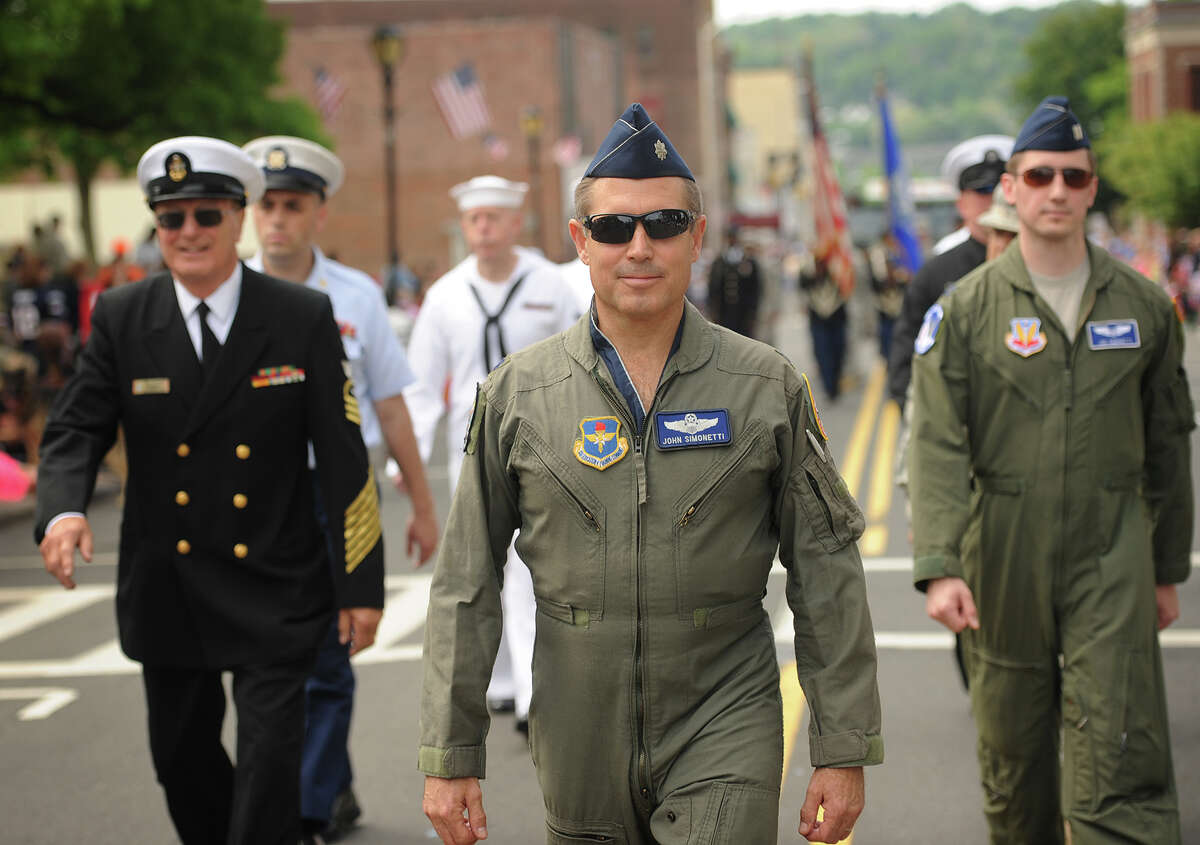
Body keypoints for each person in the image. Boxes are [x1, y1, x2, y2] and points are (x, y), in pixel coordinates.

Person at [419, 102, 883, 845]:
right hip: (574, 725)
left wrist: (843, 744)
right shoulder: (517, 395)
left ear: (696, 236)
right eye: (613, 227)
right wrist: (451, 751)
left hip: (724, 706)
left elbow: (825, 564)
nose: (639, 246)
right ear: (581, 241)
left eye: (664, 223)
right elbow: (466, 579)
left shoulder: (765, 386)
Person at [33, 136, 385, 845]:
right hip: (171, 584)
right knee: (180, 761)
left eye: (205, 214)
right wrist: (64, 508)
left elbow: (345, 460)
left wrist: (361, 586)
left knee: (269, 768)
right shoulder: (124, 316)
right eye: (170, 218)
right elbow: (76, 427)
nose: (187, 231)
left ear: (239, 217)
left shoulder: (298, 316)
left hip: (276, 583)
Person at [909, 97, 1193, 844]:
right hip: (1002, 548)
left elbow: (1168, 443)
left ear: (1093, 187)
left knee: (1121, 758)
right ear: (1012, 186)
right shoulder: (965, 311)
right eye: (1040, 175)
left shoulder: (1144, 306)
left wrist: (1164, 566)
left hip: (1112, 550)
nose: (1058, 190)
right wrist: (940, 565)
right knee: (1015, 765)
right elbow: (935, 443)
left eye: (1074, 175)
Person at [242, 133, 439, 842]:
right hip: (251, 500)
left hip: (335, 496)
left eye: (292, 205)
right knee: (266, 659)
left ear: (318, 213)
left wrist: (420, 504)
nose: (277, 220)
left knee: (331, 653)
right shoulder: (225, 291)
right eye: (266, 205)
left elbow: (390, 407)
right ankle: (332, 783)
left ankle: (304, 810)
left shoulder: (355, 296)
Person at [404, 174, 579, 732]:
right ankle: (503, 682)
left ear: (514, 223)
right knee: (482, 565)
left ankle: (533, 692)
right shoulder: (445, 296)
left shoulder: (550, 284)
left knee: (531, 564)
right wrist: (402, 459)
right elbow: (423, 383)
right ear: (464, 226)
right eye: (474, 219)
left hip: (543, 441)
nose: (483, 228)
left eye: (493, 218)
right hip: (471, 446)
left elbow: (584, 357)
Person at [886, 134, 1013, 409]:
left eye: (1002, 187)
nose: (993, 198)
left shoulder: (1041, 262)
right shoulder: (936, 273)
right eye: (983, 190)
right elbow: (906, 357)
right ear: (961, 203)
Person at [798, 240, 849, 400]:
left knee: (838, 351)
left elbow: (846, 284)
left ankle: (836, 381)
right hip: (818, 318)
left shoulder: (836, 266)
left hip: (837, 317)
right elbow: (804, 284)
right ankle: (829, 387)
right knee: (822, 352)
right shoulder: (808, 269)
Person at [707, 227, 762, 338]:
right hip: (724, 312)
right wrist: (713, 309)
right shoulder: (719, 261)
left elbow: (756, 288)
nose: (732, 241)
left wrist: (753, 312)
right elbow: (713, 286)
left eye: (734, 238)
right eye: (730, 238)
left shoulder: (749, 261)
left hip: (743, 313)